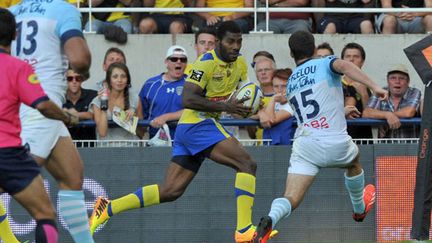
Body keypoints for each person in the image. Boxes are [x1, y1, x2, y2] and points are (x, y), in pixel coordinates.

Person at [89, 21, 276, 242]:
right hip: (197, 124)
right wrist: (226, 107)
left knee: (170, 191)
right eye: (230, 41)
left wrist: (261, 106)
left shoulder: (241, 63)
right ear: (218, 42)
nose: (236, 46)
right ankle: (244, 229)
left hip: (194, 129)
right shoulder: (204, 64)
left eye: (239, 41)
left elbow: (247, 95)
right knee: (247, 164)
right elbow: (187, 99)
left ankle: (108, 208)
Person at [253, 31, 388, 243]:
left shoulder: (291, 82)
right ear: (314, 49)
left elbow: (307, 112)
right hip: (335, 142)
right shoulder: (325, 63)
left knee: (291, 197)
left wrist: (340, 111)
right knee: (354, 163)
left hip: (306, 145)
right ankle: (359, 209)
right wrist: (375, 86)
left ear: (291, 53)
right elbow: (344, 66)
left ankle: (270, 219)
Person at [10, 1, 94, 242]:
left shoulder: (13, 12)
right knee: (10, 178)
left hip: (26, 101)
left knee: (72, 177)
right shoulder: (63, 10)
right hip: (41, 104)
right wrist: (83, 70)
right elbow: (79, 59)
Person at [136, 45, 187, 140]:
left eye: (183, 60)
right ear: (166, 62)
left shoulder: (192, 84)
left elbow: (196, 110)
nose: (179, 62)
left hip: (185, 142)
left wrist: (166, 117)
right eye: (174, 59)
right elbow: (140, 112)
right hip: (155, 142)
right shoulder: (150, 84)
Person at [362, 64, 422, 138]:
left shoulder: (414, 92)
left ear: (408, 81)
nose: (397, 81)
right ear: (387, 81)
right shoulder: (380, 92)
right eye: (393, 78)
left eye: (402, 78)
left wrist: (386, 117)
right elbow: (366, 113)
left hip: (410, 146)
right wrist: (387, 115)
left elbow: (408, 112)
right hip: (386, 146)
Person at [90, 62, 139, 144]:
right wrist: (104, 103)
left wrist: (134, 116)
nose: (119, 80)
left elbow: (141, 131)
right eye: (115, 77)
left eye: (123, 76)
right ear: (109, 80)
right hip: (106, 150)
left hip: (130, 148)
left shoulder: (134, 98)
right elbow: (102, 132)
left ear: (127, 80)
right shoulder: (97, 100)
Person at [341, 43, 373, 139]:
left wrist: (364, 94)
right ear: (342, 60)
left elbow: (370, 115)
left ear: (362, 62)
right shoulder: (335, 85)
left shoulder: (370, 86)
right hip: (339, 138)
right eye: (348, 56)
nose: (351, 59)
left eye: (356, 56)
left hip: (362, 138)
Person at [258, 68, 295, 145]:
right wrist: (261, 113)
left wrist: (273, 99)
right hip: (271, 147)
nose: (279, 90)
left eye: (284, 86)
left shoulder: (292, 103)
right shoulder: (276, 103)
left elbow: (271, 120)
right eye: (276, 86)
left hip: (285, 148)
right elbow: (253, 116)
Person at [63, 68, 98, 147]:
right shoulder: (59, 98)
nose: (74, 81)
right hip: (65, 149)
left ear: (82, 79)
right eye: (70, 78)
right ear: (65, 81)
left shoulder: (93, 95)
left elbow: (96, 114)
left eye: (77, 78)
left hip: (90, 148)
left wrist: (71, 115)